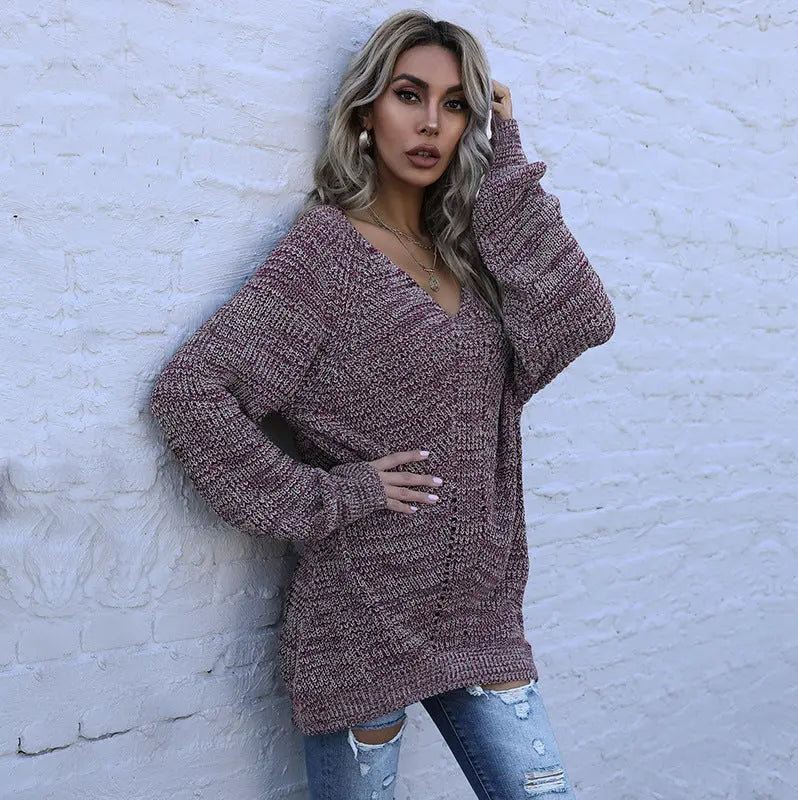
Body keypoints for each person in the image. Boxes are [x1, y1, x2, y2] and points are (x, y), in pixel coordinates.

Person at [149, 9, 615, 799]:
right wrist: (336, 494)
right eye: (409, 95)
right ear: (367, 111)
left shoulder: (475, 257)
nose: (431, 122)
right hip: (362, 623)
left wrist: (507, 159)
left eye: (455, 104)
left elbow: (581, 317)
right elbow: (190, 393)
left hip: (481, 618)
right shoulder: (324, 255)